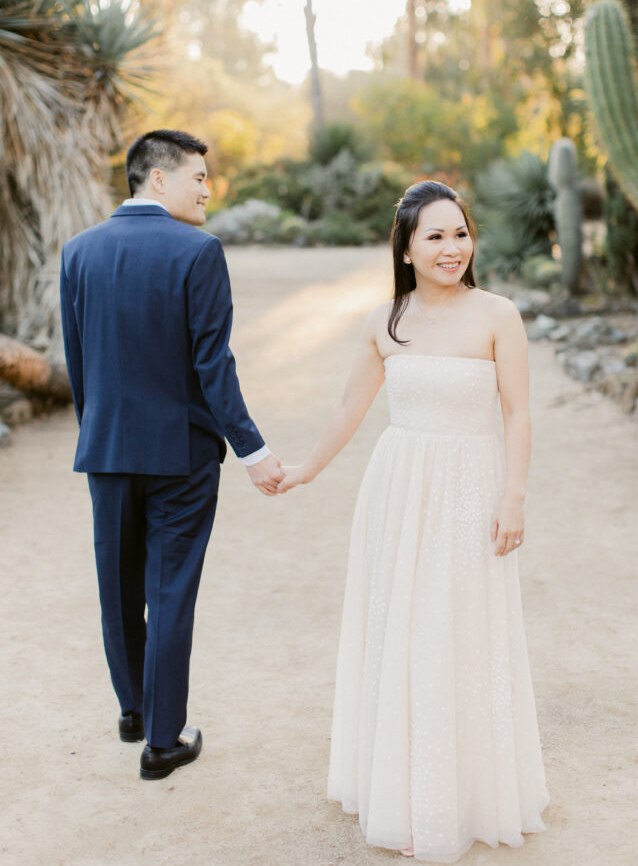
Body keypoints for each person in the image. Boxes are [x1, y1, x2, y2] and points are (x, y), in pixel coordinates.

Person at [278, 180, 549, 861]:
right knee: (403, 626)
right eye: (434, 235)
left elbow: (516, 412)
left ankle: (471, 794)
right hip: (398, 494)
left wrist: (512, 495)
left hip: (470, 488)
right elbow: (349, 409)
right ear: (403, 248)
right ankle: (403, 789)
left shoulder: (496, 315)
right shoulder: (384, 320)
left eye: (459, 233)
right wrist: (307, 468)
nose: (451, 247)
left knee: (459, 628)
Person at [60, 129, 283, 780]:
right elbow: (212, 366)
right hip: (180, 458)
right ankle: (162, 740)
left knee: (118, 586)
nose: (207, 190)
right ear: (157, 178)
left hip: (105, 449)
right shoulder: (199, 251)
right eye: (197, 177)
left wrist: (97, 432)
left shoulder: (78, 253)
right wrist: (254, 451)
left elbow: (80, 363)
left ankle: (132, 709)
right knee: (170, 593)